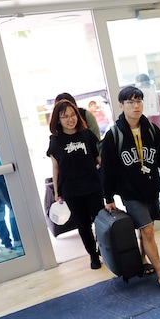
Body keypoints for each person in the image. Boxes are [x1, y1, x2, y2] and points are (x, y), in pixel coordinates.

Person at [99, 85, 160, 289]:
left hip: (150, 188)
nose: (136, 106)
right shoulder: (114, 135)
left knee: (146, 230)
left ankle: (143, 262)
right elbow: (107, 168)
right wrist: (108, 198)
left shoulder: (151, 130)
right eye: (130, 102)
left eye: (139, 101)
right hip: (130, 192)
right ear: (121, 105)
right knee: (148, 231)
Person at [46, 99, 104, 270]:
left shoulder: (87, 135)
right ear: (58, 119)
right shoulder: (55, 141)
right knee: (83, 225)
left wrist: (107, 176)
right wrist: (57, 192)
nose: (70, 119)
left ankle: (104, 249)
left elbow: (99, 158)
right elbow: (55, 168)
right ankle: (93, 255)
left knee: (100, 221)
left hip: (93, 186)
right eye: (65, 117)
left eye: (73, 115)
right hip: (71, 191)